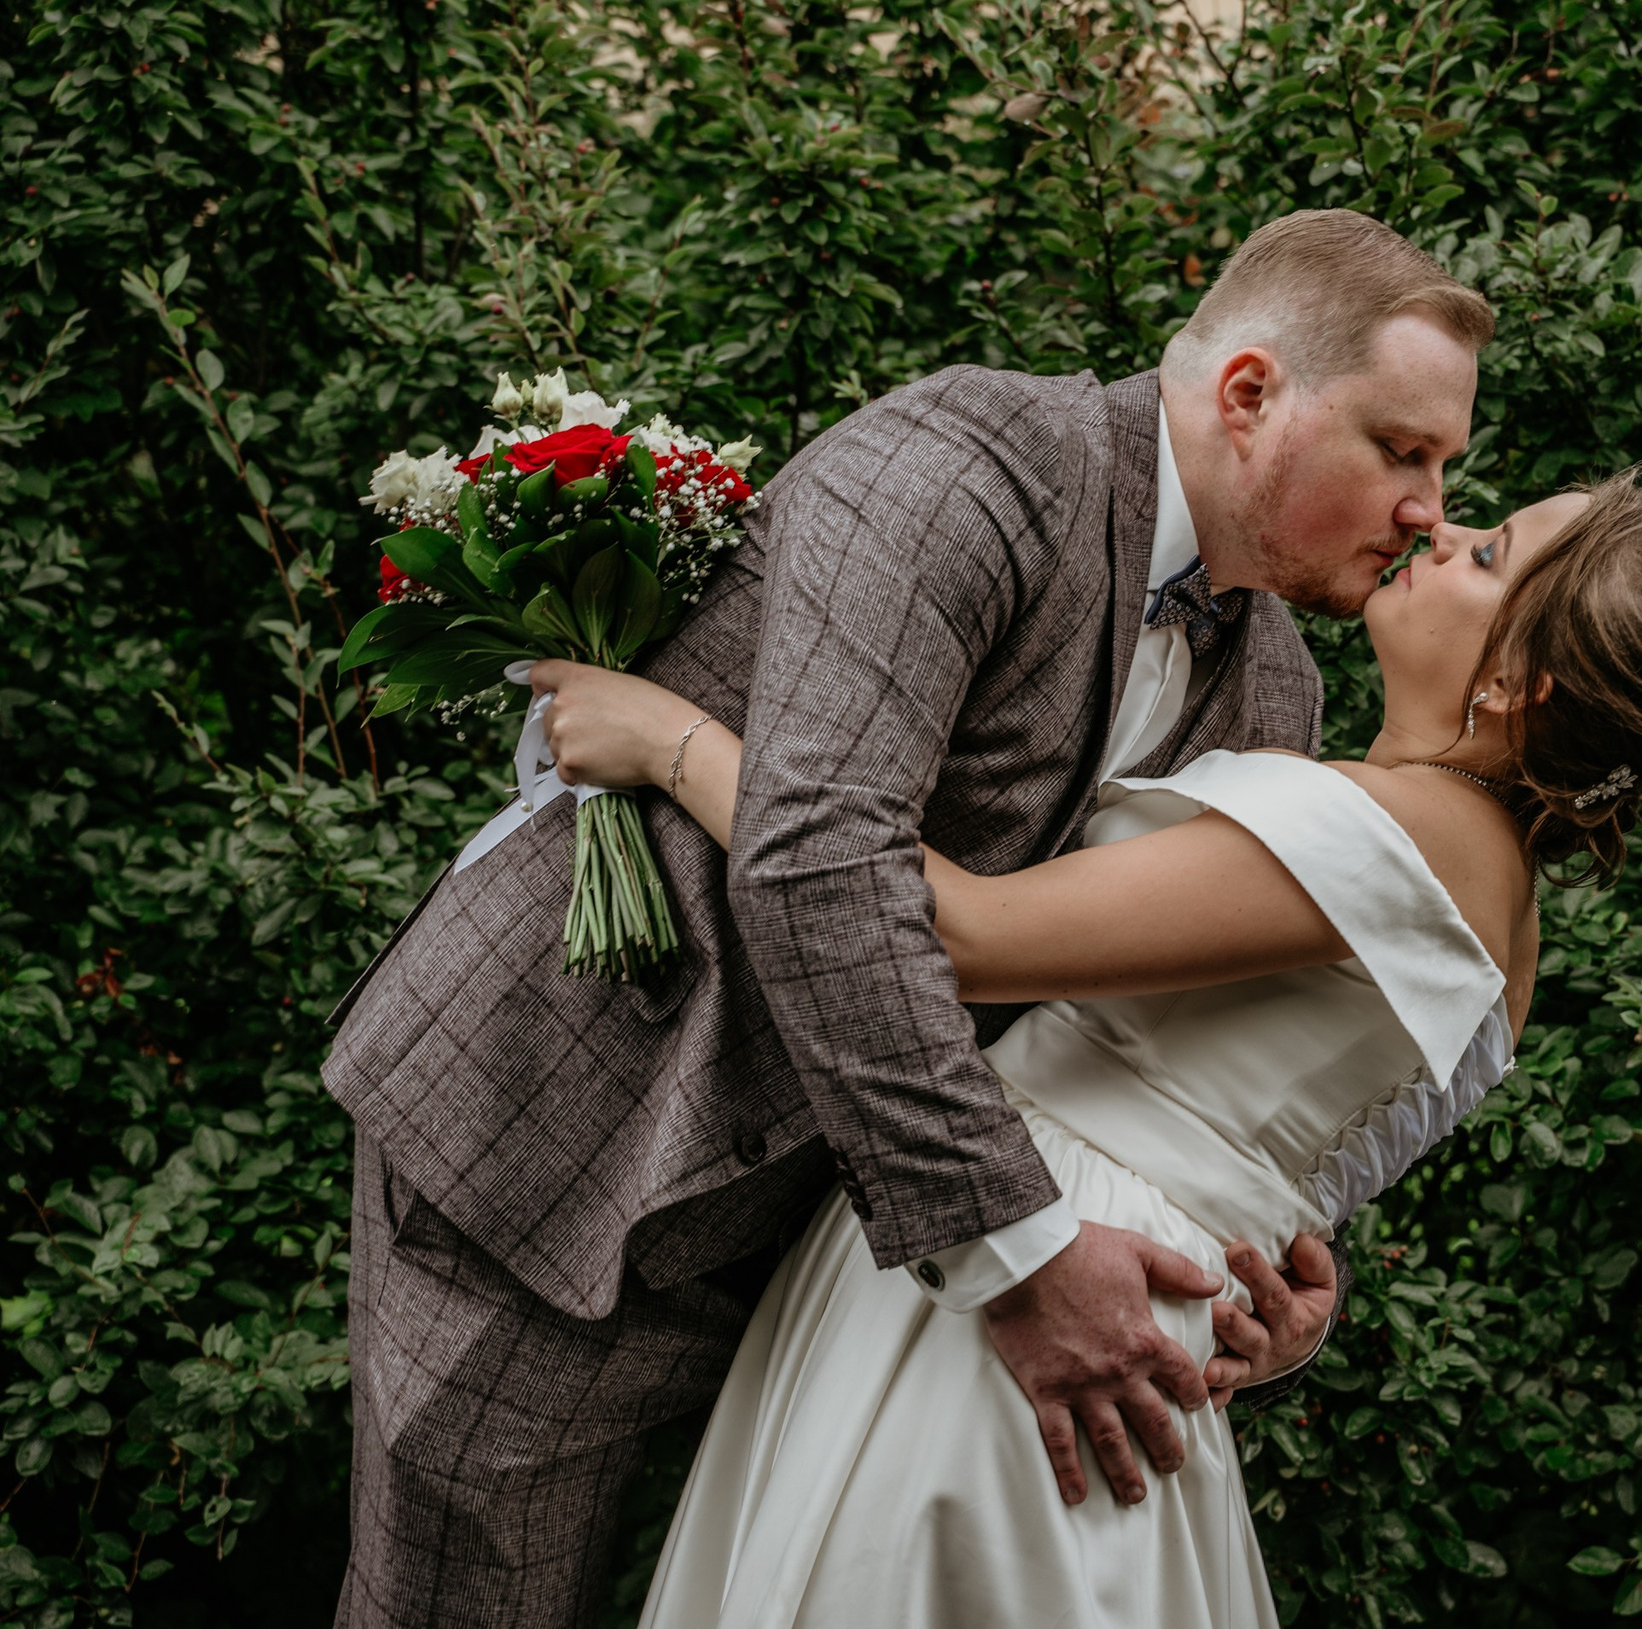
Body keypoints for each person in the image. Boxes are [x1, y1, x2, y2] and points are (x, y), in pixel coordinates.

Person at [321, 209, 1496, 1628]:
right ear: (1253, 394)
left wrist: (1271, 1278)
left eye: (1445, 466)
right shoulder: (973, 461)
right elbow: (822, 859)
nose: (1429, 507)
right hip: (571, 1154)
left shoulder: (1281, 693)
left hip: (847, 1273)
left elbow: (1125, 1043)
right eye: (1404, 450)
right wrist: (1019, 1254)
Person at [526, 470, 1642, 1626]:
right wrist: (1282, 1303)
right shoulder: (1504, 910)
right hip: (1136, 1296)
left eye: (1486, 555)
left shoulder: (1408, 834)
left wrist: (669, 742)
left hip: (1038, 1261)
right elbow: (1270, 1158)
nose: (1436, 529)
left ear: (1523, 679)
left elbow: (955, 935)